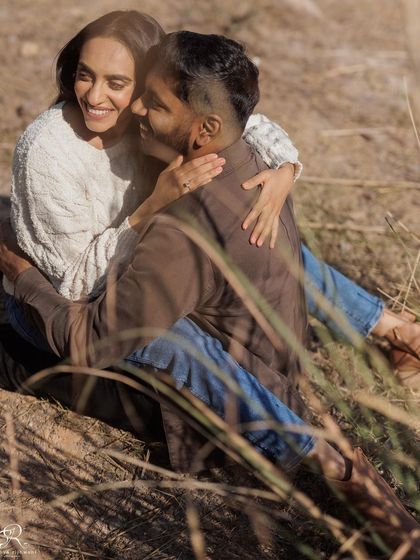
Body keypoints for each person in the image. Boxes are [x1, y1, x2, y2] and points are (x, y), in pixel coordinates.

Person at [0, 31, 418, 557]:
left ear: (204, 128)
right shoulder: (247, 165)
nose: (139, 112)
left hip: (215, 415)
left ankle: (328, 460)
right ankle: (384, 348)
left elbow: (94, 341)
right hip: (273, 366)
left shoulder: (183, 228)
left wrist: (22, 277)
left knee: (23, 335)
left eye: (154, 103)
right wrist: (287, 168)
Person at [4, 10, 419, 384]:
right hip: (78, 304)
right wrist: (152, 208)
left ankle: (390, 328)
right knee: (227, 243)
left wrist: (284, 173)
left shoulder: (145, 115)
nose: (94, 97)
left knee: (253, 229)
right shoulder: (51, 152)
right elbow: (75, 286)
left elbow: (245, 123)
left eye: (117, 83)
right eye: (84, 74)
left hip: (141, 270)